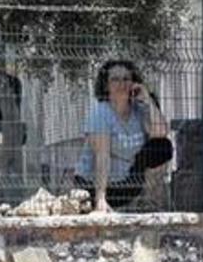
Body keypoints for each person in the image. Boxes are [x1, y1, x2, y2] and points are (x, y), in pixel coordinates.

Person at [74, 60, 173, 212]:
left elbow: (161, 133)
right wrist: (100, 198)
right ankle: (100, 202)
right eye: (115, 79)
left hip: (127, 183)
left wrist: (147, 99)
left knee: (163, 147)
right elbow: (102, 156)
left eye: (126, 78)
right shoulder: (101, 113)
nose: (122, 83)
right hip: (95, 186)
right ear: (106, 86)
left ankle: (151, 200)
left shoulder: (139, 110)